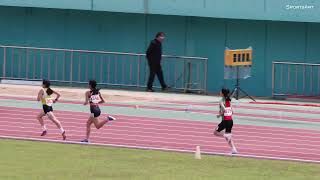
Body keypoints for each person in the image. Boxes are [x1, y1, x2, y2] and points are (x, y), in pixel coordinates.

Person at [214, 88, 238, 154]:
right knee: (228, 137)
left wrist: (219, 115)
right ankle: (234, 149)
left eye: (220, 91)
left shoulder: (221, 101)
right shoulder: (228, 101)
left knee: (215, 132)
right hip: (230, 121)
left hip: (225, 121)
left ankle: (225, 135)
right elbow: (233, 111)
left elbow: (224, 110)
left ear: (222, 93)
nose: (219, 92)